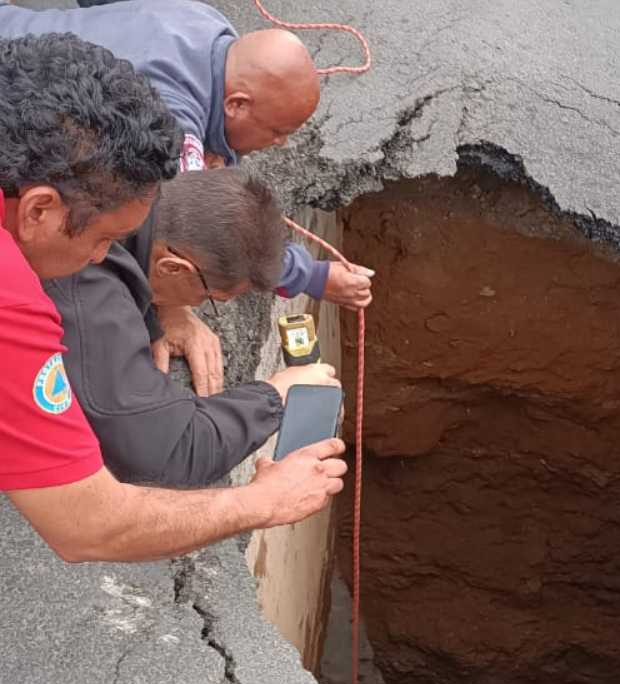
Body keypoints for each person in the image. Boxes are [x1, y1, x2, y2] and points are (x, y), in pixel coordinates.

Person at [0, 32, 346, 563]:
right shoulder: (19, 302)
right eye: (101, 241)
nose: (100, 259)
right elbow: (91, 522)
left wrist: (167, 306)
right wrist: (264, 499)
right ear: (38, 211)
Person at [0, 0, 374, 396]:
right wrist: (310, 276)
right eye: (276, 130)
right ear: (236, 105)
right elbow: (195, 229)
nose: (281, 144)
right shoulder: (172, 111)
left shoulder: (208, 30)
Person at [47, 168, 339, 487]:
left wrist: (161, 310)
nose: (198, 307)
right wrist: (277, 396)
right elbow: (165, 456)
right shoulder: (86, 292)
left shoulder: (119, 185)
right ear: (173, 268)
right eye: (209, 298)